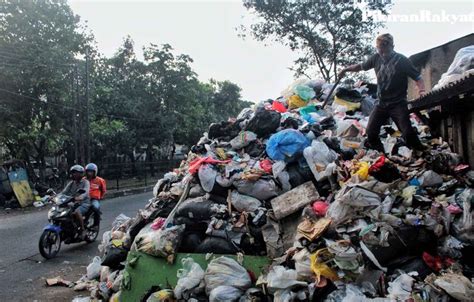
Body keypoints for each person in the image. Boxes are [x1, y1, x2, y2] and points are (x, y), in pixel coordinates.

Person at [338, 33, 427, 152]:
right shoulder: (376, 58)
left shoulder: (402, 60)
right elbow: (360, 66)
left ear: (392, 47)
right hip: (381, 103)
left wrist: (421, 91)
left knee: (407, 133)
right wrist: (345, 69)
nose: (383, 54)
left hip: (398, 103)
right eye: (380, 51)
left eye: (386, 51)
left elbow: (418, 77)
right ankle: (381, 154)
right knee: (371, 132)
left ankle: (421, 151)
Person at [61, 165, 90, 239]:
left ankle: (83, 229)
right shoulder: (71, 183)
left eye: (75, 173)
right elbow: (64, 192)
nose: (73, 174)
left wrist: (81, 197)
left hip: (84, 203)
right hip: (72, 203)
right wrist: (55, 197)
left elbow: (86, 191)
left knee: (77, 212)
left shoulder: (85, 182)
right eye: (73, 172)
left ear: (81, 174)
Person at [85, 163, 106, 227]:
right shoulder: (84, 180)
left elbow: (103, 190)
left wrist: (100, 197)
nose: (89, 174)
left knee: (95, 208)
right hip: (84, 198)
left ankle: (96, 224)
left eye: (91, 172)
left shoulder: (100, 180)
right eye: (88, 172)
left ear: (95, 172)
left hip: (94, 198)